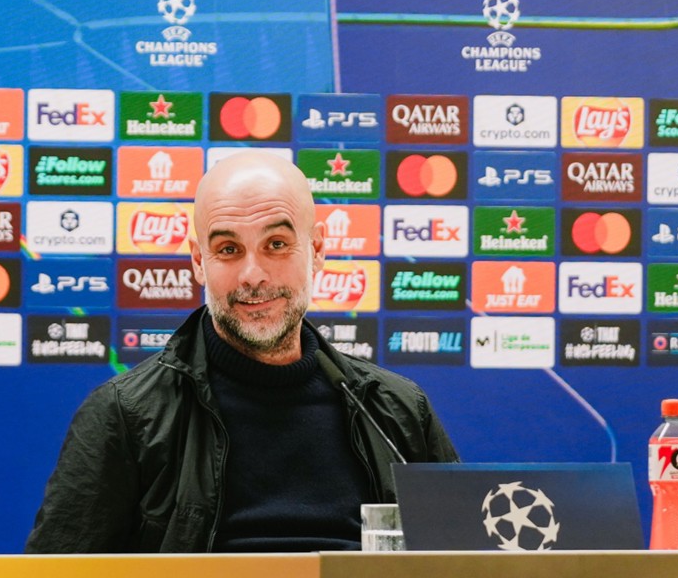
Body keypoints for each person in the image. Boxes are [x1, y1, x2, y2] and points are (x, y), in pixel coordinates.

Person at [24, 152, 459, 553]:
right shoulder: (125, 415)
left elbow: (468, 561)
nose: (253, 275)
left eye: (276, 244)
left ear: (318, 250)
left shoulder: (398, 410)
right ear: (198, 261)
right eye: (228, 250)